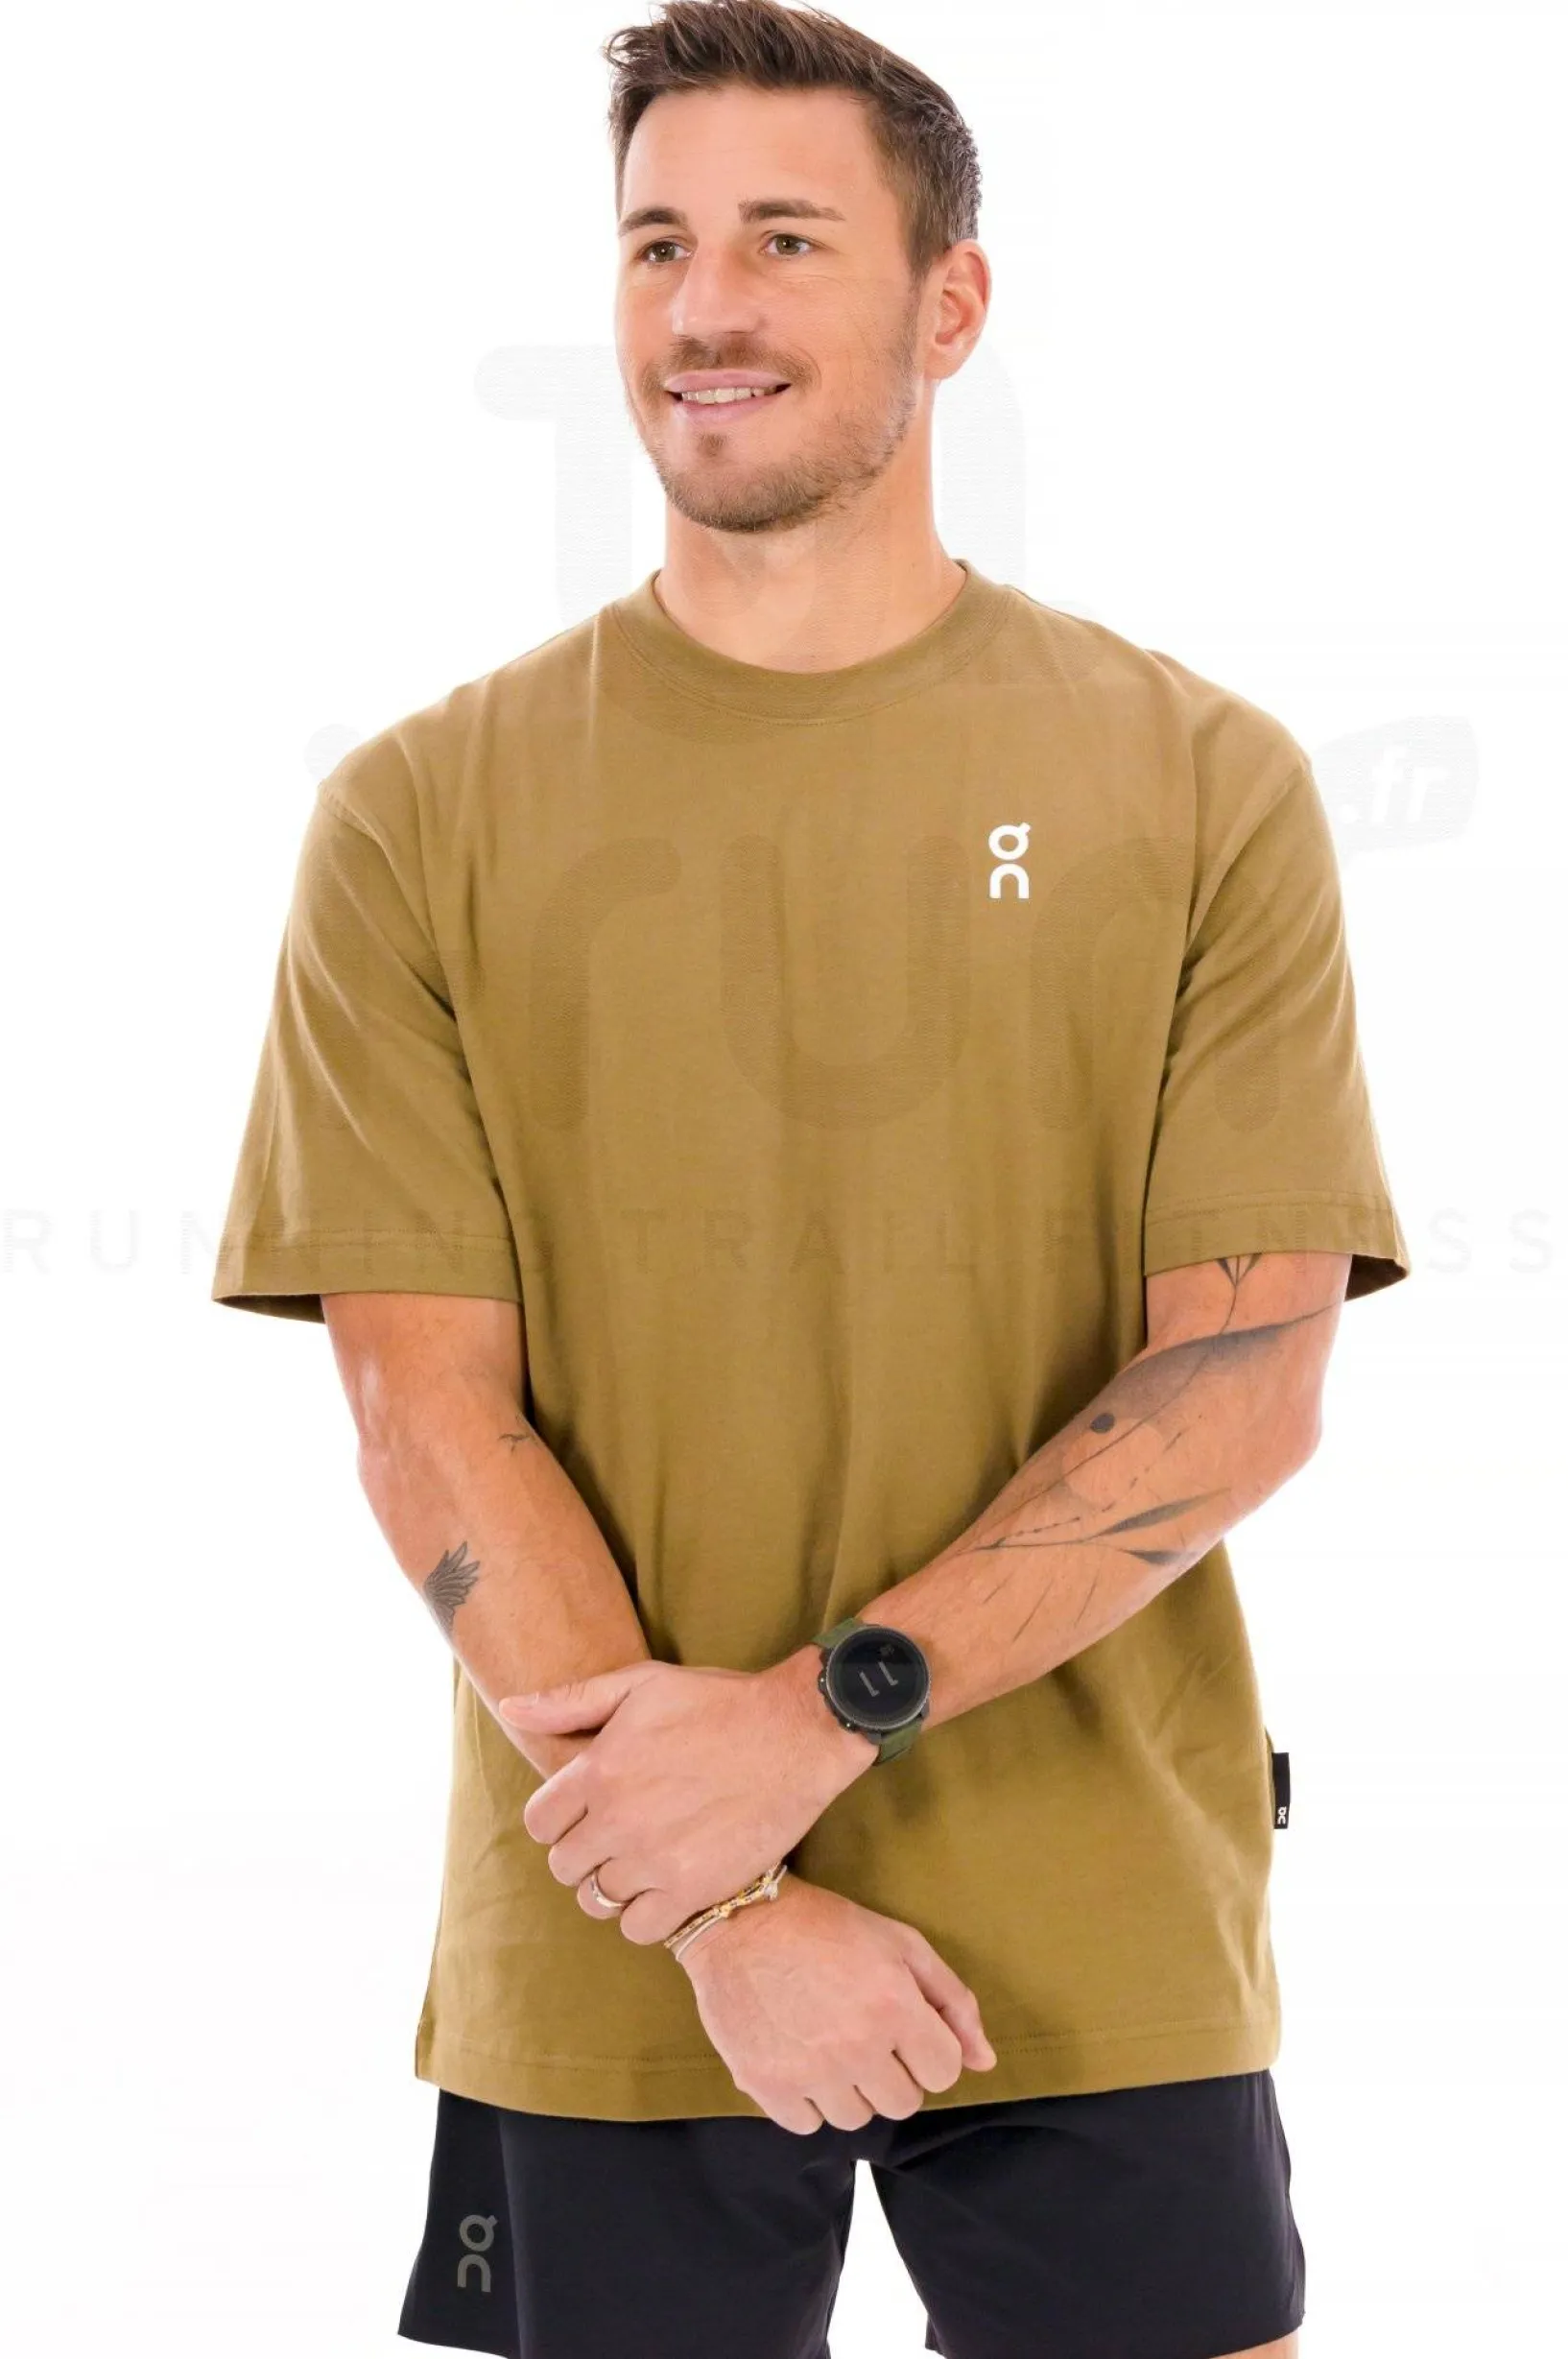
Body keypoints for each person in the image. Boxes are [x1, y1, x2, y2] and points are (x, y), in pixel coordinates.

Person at [210, 4, 1410, 2353]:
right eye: (657, 242)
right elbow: (423, 1407)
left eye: (783, 239)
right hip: (613, 1929)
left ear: (950, 306)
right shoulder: (421, 812)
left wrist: (819, 1716)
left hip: (1096, 1915)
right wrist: (729, 1899)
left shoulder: (1198, 777)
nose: (705, 307)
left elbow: (1244, 1374)